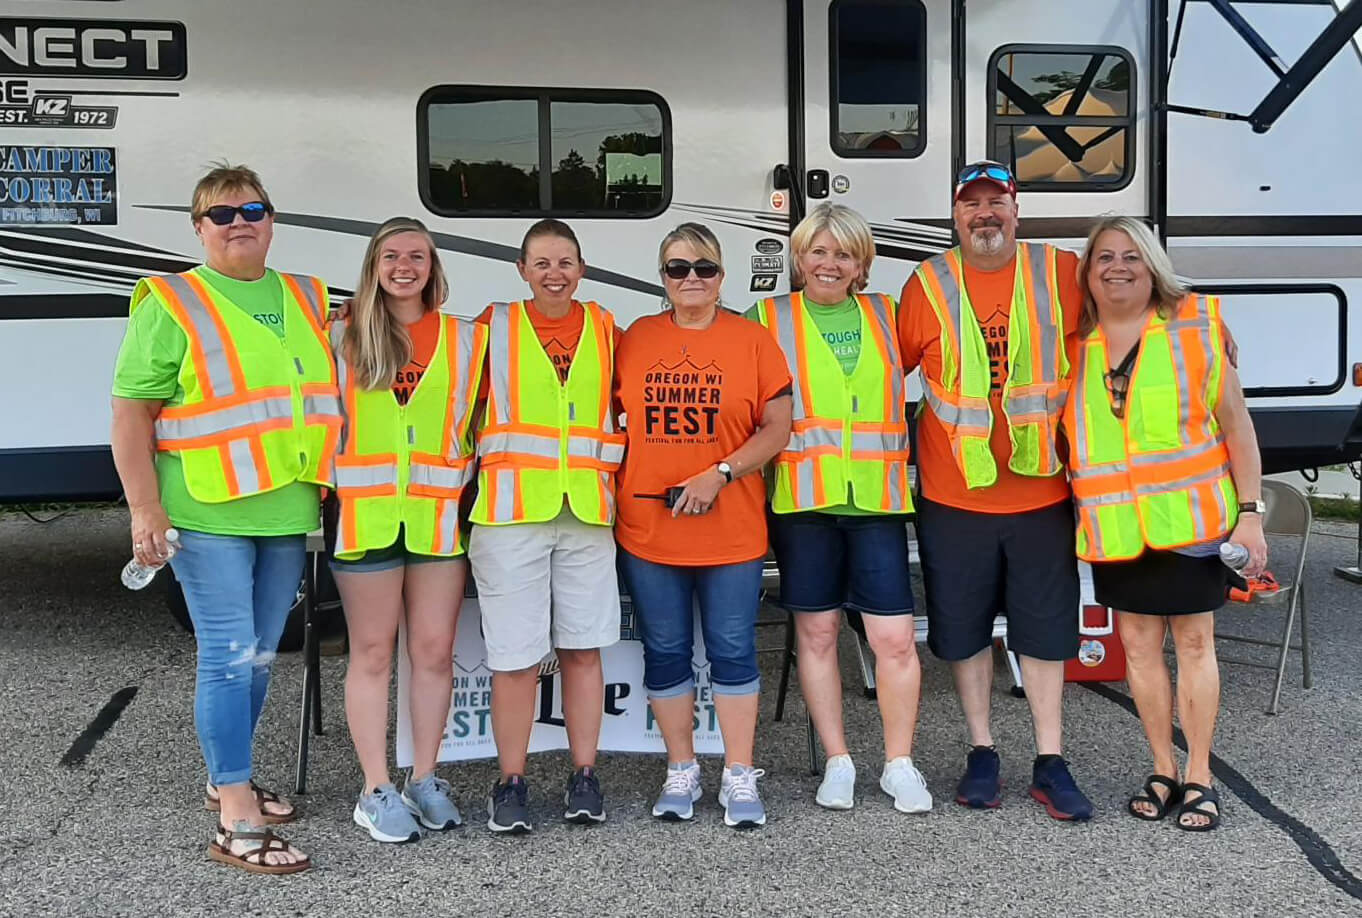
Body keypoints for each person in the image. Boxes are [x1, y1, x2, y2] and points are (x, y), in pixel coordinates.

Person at [110, 163, 342, 872]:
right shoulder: (172, 300)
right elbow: (130, 411)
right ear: (199, 226)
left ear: (271, 219)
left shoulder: (307, 295)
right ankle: (235, 810)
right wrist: (144, 507)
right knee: (229, 653)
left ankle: (225, 774)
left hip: (288, 505)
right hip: (206, 507)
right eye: (221, 213)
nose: (239, 221)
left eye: (253, 208)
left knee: (265, 654)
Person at [897, 161, 1093, 820]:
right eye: (971, 203)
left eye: (996, 201)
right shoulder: (927, 284)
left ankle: (1049, 759)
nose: (984, 213)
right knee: (965, 632)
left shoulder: (1062, 270)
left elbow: (1132, 301)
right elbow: (880, 364)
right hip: (955, 499)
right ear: (955, 216)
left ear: (1017, 208)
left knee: (1042, 634)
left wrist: (1197, 317)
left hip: (1041, 493)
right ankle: (982, 750)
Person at [1066, 216, 1266, 832]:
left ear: (1152, 265)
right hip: (1119, 531)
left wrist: (1252, 516)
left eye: (1131, 255)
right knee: (1140, 651)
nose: (1117, 266)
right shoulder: (1075, 349)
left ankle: (1200, 773)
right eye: (1104, 257)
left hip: (1192, 526)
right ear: (1088, 272)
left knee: (1196, 644)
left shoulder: (1195, 332)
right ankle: (1161, 765)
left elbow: (1238, 429)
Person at [748, 203, 928, 814]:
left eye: (843, 253)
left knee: (895, 639)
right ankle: (838, 762)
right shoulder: (767, 317)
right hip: (802, 501)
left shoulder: (890, 315)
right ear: (799, 259)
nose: (830, 263)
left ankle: (900, 765)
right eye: (818, 252)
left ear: (862, 264)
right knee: (818, 633)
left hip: (875, 501)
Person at [614, 222, 793, 829]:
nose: (691, 279)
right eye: (676, 268)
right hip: (649, 527)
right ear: (662, 277)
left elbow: (776, 427)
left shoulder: (753, 341)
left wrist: (720, 471)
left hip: (731, 529)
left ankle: (739, 774)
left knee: (733, 650)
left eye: (704, 268)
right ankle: (681, 768)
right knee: (665, 651)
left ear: (722, 276)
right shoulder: (635, 338)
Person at [328, 217, 486, 842]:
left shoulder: (465, 337)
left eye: (416, 255)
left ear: (433, 265)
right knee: (370, 653)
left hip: (438, 518)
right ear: (373, 264)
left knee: (433, 653)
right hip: (365, 516)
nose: (404, 266)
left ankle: (425, 776)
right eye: (391, 255)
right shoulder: (339, 334)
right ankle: (374, 788)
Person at [468, 219, 624, 833]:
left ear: (581, 269)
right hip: (510, 514)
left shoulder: (608, 328)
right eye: (542, 263)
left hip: (587, 512)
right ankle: (511, 782)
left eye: (565, 262)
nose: (554, 273)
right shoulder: (491, 326)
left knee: (583, 651)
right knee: (514, 659)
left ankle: (584, 776)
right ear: (522, 270)